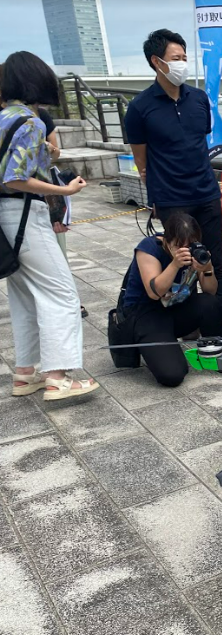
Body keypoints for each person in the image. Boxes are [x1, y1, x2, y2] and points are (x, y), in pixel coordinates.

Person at [123, 29, 222, 338]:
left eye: (185, 58)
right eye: (176, 58)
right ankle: (183, 316)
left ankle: (221, 319)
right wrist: (156, 190)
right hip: (171, 197)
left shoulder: (199, 99)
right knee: (180, 256)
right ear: (157, 62)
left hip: (205, 191)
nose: (182, 64)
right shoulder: (139, 107)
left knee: (212, 257)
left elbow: (197, 142)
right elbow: (141, 159)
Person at [0, 51, 98, 401]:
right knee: (61, 294)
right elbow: (15, 178)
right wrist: (64, 189)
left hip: (4, 219)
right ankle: (59, 376)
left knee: (25, 297)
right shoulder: (31, 121)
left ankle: (26, 373)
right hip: (25, 214)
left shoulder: (4, 117)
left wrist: (46, 154)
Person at [122, 213, 222, 387]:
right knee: (172, 375)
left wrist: (207, 268)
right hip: (147, 314)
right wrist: (175, 264)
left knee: (210, 304)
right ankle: (150, 344)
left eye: (189, 245)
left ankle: (210, 353)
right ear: (166, 240)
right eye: (178, 246)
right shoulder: (148, 248)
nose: (184, 251)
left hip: (177, 308)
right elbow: (154, 292)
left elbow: (210, 291)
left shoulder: (197, 250)